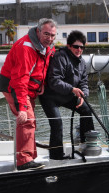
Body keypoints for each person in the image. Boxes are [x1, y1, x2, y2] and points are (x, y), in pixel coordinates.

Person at [0, 18, 57, 170]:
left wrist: (41, 83)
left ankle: (29, 157)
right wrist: (22, 108)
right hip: (14, 86)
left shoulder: (46, 47)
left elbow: (42, 66)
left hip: (30, 88)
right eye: (46, 34)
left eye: (52, 35)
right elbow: (19, 79)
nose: (49, 38)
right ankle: (24, 161)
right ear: (38, 31)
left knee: (30, 121)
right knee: (26, 119)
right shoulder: (26, 48)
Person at [39, 30, 94, 160]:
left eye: (82, 47)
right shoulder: (60, 57)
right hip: (50, 96)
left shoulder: (82, 62)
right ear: (69, 46)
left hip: (68, 94)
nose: (79, 49)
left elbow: (84, 83)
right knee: (57, 123)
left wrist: (83, 95)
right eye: (76, 46)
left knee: (86, 110)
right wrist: (73, 89)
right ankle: (56, 156)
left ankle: (87, 144)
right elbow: (54, 81)